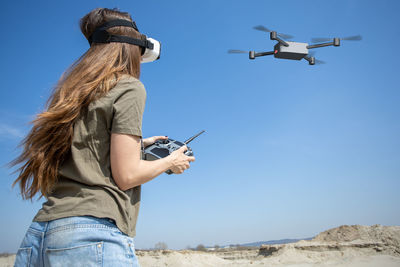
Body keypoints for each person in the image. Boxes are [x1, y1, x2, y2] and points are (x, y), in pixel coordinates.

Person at [12, 7, 195, 267]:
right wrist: (170, 161)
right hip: (91, 236)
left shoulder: (73, 91)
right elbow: (127, 175)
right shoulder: (130, 86)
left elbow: (85, 147)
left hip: (40, 236)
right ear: (132, 47)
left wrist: (140, 144)